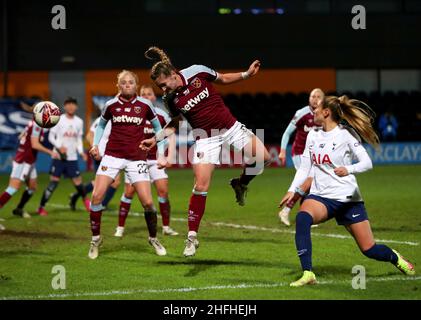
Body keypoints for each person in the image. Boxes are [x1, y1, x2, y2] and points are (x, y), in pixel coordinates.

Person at [142, 46, 270, 257]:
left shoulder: (196, 71)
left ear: (173, 75)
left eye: (164, 85)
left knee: (263, 158)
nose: (163, 90)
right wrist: (154, 139)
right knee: (200, 185)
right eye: (160, 87)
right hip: (205, 138)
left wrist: (247, 74)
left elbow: (223, 79)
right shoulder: (170, 99)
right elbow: (175, 125)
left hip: (230, 127)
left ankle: (241, 183)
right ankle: (192, 237)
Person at [279, 95, 415, 287]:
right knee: (303, 218)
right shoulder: (313, 135)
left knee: (369, 249)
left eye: (317, 109)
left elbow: (367, 163)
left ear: (326, 112)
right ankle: (308, 273)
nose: (314, 112)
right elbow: (304, 168)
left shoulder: (346, 134)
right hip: (322, 197)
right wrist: (292, 190)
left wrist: (349, 169)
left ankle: (395, 258)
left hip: (348, 198)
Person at [87, 70, 168, 259]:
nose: (127, 85)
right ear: (119, 86)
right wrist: (96, 145)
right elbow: (100, 125)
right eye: (123, 83)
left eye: (131, 82)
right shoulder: (111, 105)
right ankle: (95, 239)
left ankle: (153, 238)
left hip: (137, 158)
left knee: (148, 202)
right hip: (112, 157)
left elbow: (159, 130)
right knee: (97, 197)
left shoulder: (145, 105)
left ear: (136, 85)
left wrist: (161, 155)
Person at [115, 84, 178, 238]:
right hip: (136, 160)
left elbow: (171, 132)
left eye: (149, 94)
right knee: (129, 193)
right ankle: (120, 227)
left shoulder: (161, 115)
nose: (146, 96)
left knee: (163, 191)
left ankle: (166, 227)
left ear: (153, 97)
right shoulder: (134, 113)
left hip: (156, 160)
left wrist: (170, 156)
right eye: (143, 94)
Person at [0, 114, 60, 227]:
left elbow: (22, 136)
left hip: (30, 161)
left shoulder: (33, 123)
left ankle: (19, 209)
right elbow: (35, 144)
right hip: (23, 160)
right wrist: (51, 152)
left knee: (32, 187)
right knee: (13, 188)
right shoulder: (37, 125)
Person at [278, 88, 324, 226]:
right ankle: (289, 211)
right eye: (312, 96)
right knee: (307, 182)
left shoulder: (324, 115)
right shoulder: (302, 113)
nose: (314, 99)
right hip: (299, 153)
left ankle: (304, 213)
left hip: (315, 156)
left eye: (318, 96)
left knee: (310, 184)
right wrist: (282, 151)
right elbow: (287, 133)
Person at [36, 97, 89, 216]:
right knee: (53, 183)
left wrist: (81, 152)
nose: (71, 106)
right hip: (59, 158)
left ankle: (86, 201)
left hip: (72, 158)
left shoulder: (79, 121)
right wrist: (59, 147)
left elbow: (78, 140)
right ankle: (41, 207)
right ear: (64, 107)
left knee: (78, 182)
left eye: (73, 104)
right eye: (68, 104)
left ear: (76, 107)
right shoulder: (58, 120)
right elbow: (50, 137)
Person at [69, 113, 121, 211]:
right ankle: (102, 205)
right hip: (102, 156)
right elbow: (89, 135)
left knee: (111, 182)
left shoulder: (121, 119)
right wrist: (96, 148)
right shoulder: (102, 119)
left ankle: (76, 195)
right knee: (109, 182)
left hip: (113, 156)